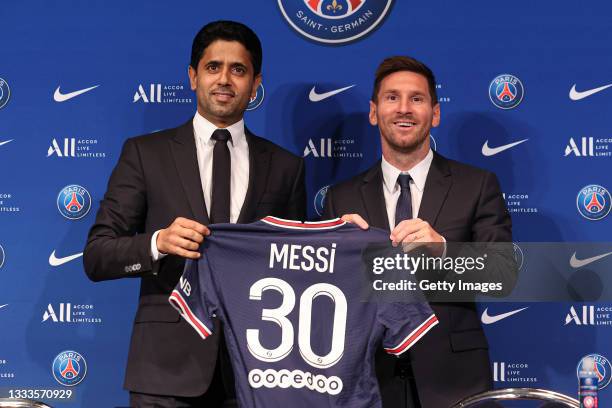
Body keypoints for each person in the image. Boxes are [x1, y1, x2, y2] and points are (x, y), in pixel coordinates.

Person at [83, 20, 306, 407]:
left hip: (257, 372)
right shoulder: (145, 154)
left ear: (255, 84)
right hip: (165, 373)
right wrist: (158, 243)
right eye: (213, 67)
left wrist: (340, 239)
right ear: (192, 76)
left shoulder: (287, 167)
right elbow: (97, 255)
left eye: (238, 70)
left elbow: (298, 268)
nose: (224, 80)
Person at [323, 56, 513, 407]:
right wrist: (340, 258)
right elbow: (325, 298)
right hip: (369, 379)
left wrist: (443, 249)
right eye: (392, 98)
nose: (404, 109)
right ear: (373, 111)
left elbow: (502, 275)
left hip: (454, 379)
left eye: (417, 99)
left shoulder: (477, 184)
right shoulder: (341, 197)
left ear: (435, 113)